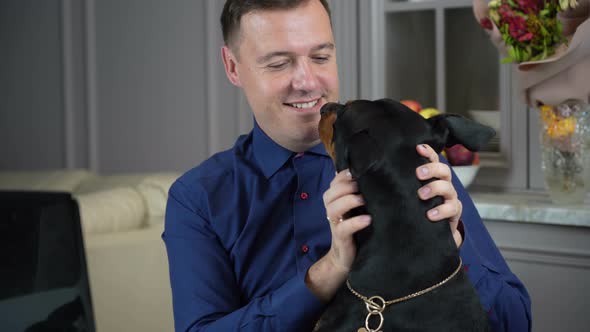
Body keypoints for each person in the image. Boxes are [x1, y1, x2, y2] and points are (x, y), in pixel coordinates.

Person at [162, 1, 531, 331]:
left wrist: (453, 245)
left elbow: (515, 321)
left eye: (321, 57)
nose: (307, 82)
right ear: (232, 66)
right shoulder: (197, 198)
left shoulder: (419, 165)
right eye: (278, 63)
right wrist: (327, 272)